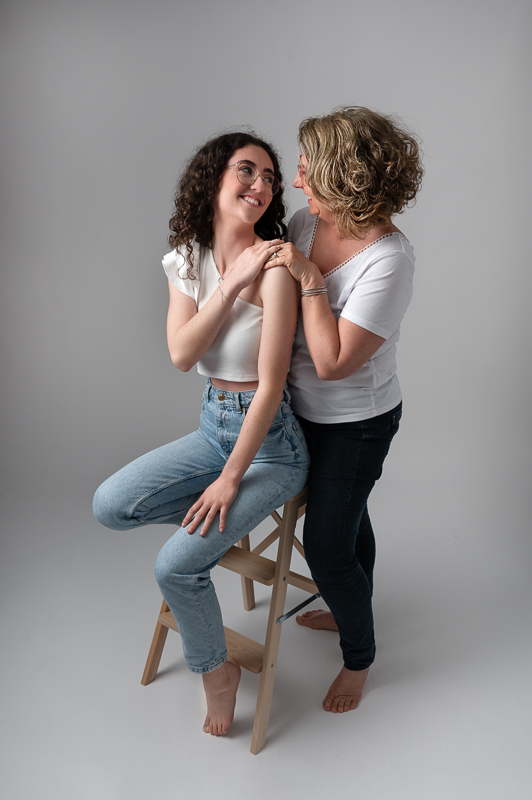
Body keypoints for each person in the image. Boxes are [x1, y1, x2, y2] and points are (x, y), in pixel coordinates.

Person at [93, 132, 309, 737]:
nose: (262, 186)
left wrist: (230, 481)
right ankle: (213, 532)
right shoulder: (187, 257)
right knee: (111, 504)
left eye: (270, 177)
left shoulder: (276, 267)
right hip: (211, 425)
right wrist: (229, 284)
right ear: (214, 178)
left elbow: (269, 389)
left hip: (270, 448)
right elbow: (182, 354)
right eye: (247, 171)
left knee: (175, 568)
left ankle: (216, 672)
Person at [267, 107, 423, 714]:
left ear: (341, 177)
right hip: (300, 411)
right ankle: (347, 604)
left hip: (357, 424)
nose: (297, 182)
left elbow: (334, 363)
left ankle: (360, 657)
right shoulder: (307, 222)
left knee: (327, 545)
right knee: (347, 519)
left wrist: (307, 279)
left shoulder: (390, 259)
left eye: (307, 170)